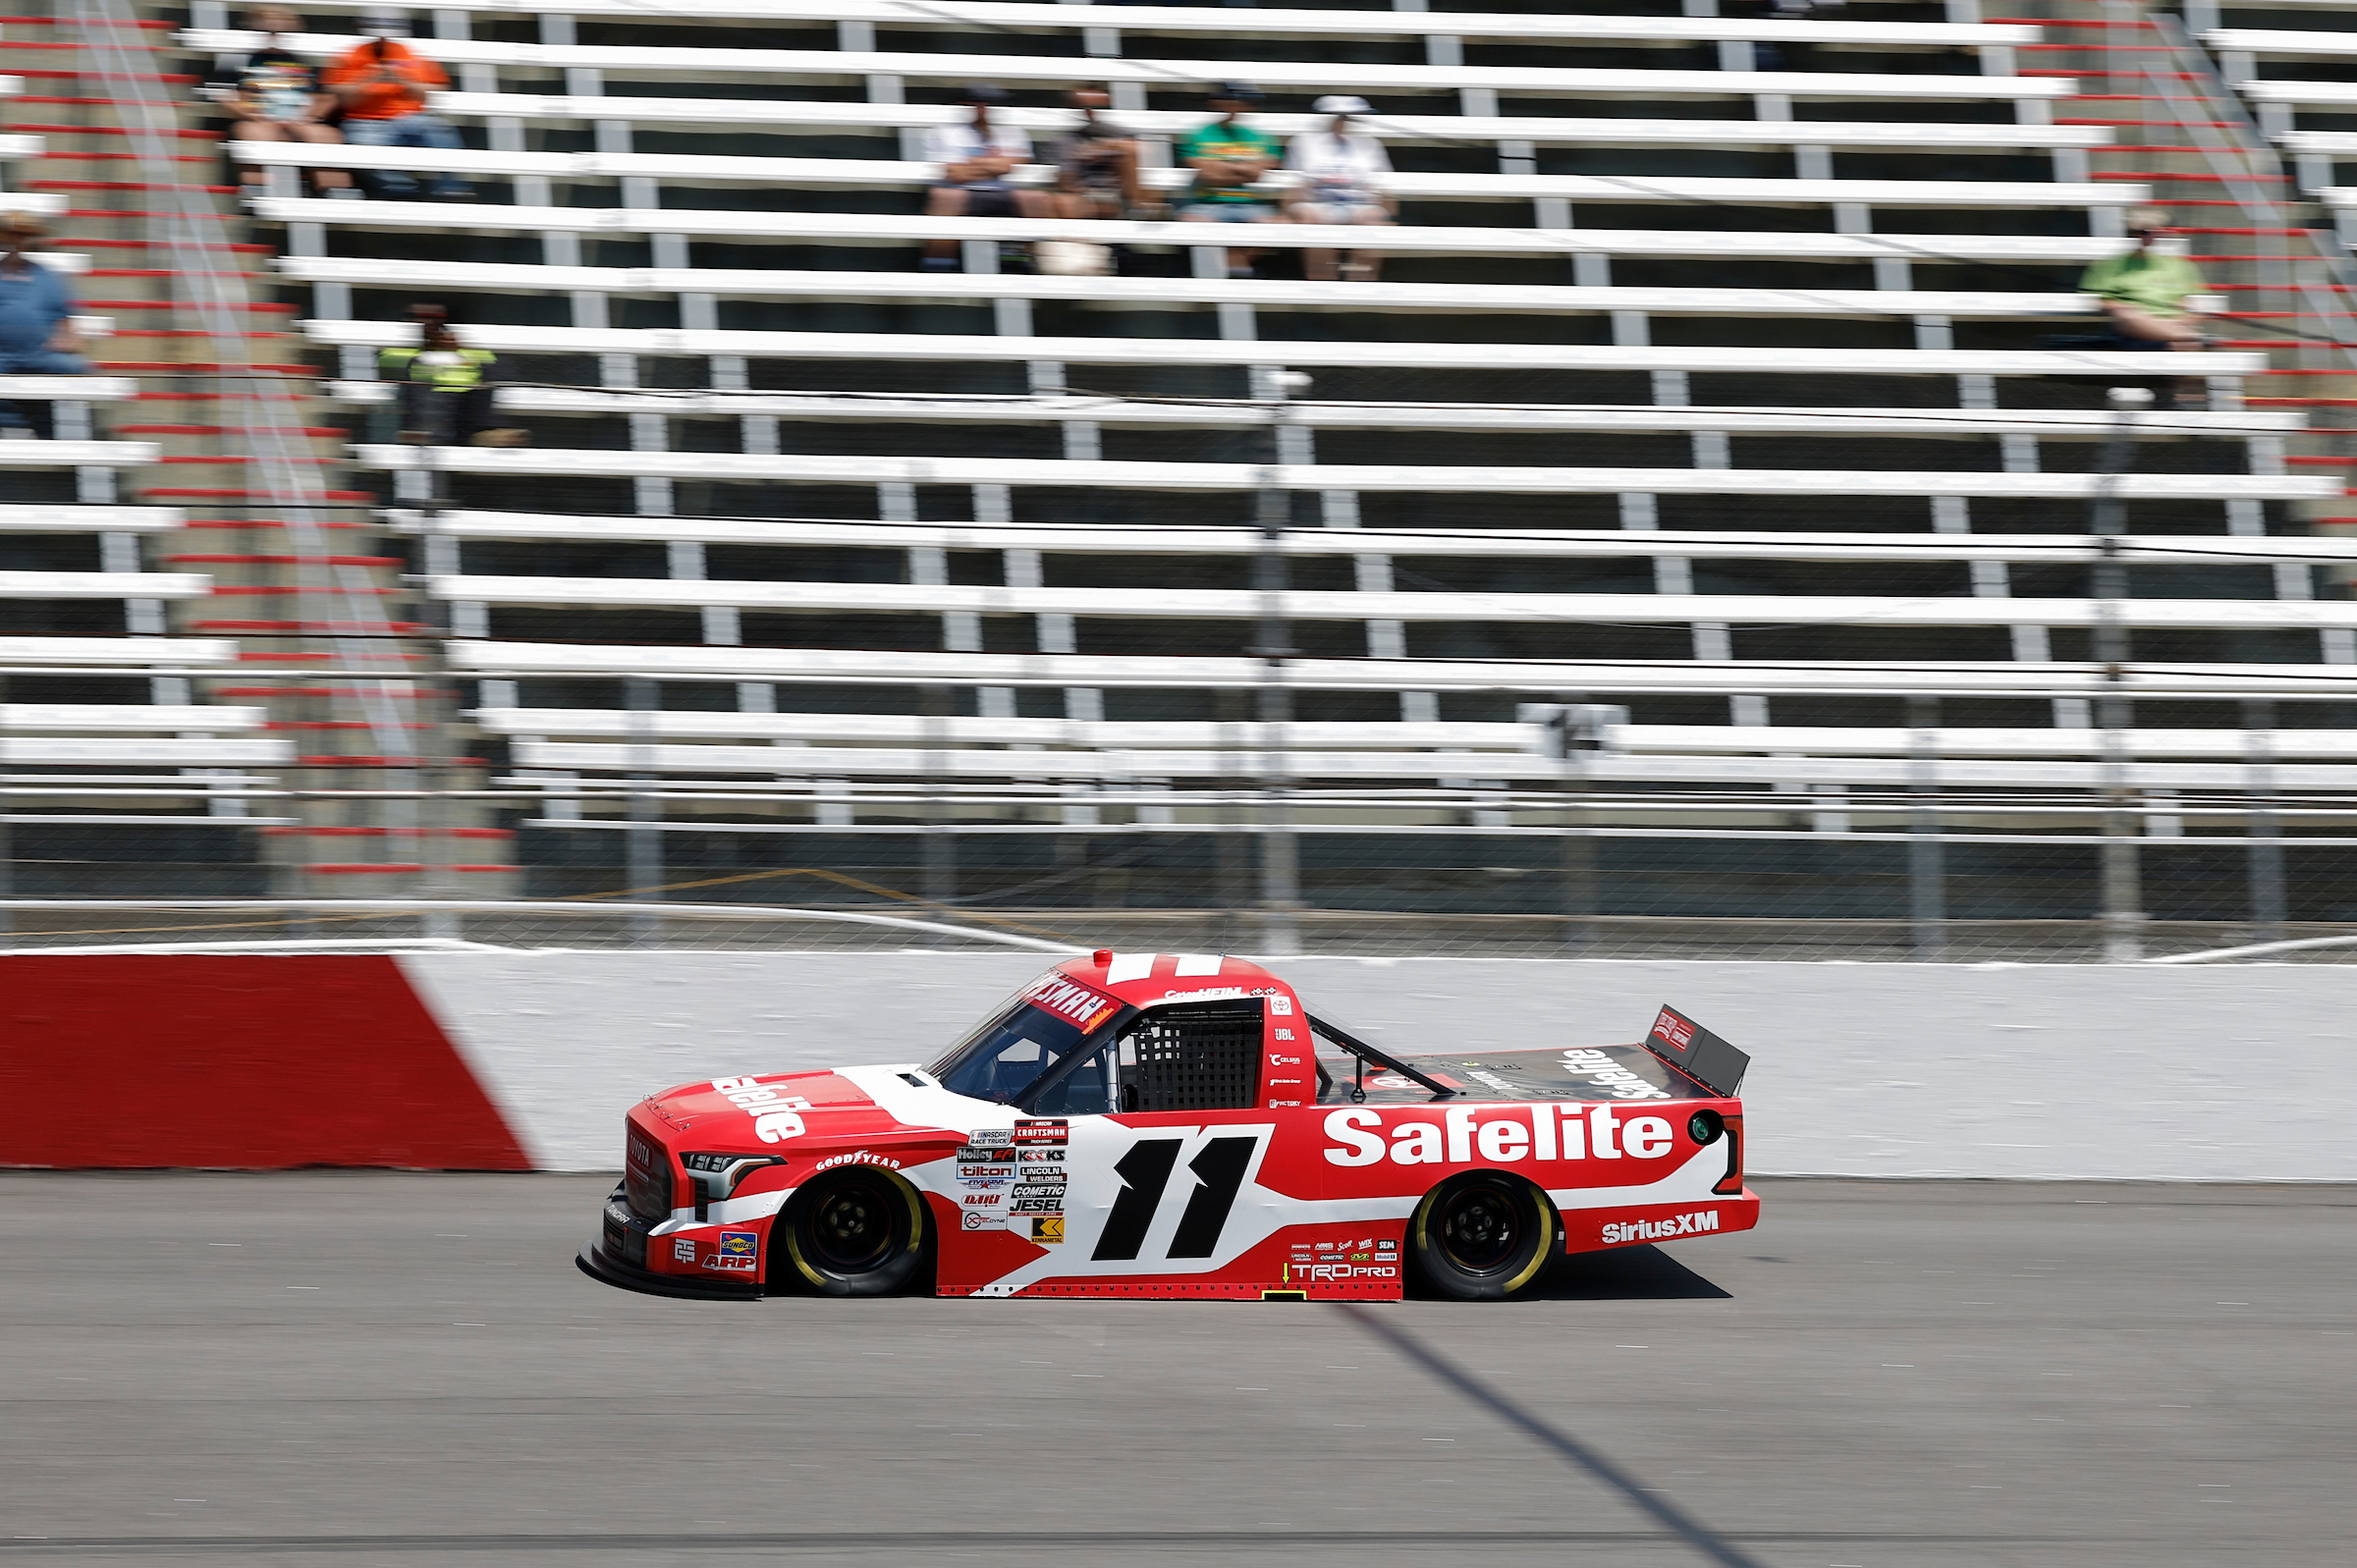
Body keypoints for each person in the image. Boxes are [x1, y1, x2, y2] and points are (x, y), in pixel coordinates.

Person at [322, 12, 472, 201]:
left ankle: (452, 189)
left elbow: (431, 89)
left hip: (410, 116)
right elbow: (343, 98)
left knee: (441, 132)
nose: (383, 38)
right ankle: (400, 191)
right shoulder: (350, 56)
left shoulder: (408, 53)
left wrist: (402, 79)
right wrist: (368, 78)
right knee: (364, 144)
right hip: (364, 120)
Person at [209, 8, 351, 200]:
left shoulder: (305, 60)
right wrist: (255, 115)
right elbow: (226, 96)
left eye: (280, 29)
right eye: (267, 29)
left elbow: (327, 97)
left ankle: (335, 191)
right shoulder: (237, 59)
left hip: (302, 119)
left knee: (325, 135)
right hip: (258, 118)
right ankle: (259, 190)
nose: (274, 33)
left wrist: (310, 117)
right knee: (255, 133)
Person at [920, 83, 1052, 272]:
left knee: (1037, 198)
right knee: (945, 197)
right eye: (981, 104)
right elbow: (955, 174)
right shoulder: (944, 133)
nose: (986, 109)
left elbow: (1019, 162)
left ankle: (1029, 262)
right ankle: (937, 265)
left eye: (992, 104)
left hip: (1002, 192)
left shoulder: (1013, 132)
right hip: (962, 192)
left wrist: (975, 163)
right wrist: (996, 165)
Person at [1177, 82, 1286, 279]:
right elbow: (1207, 175)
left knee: (1280, 224)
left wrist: (1220, 165)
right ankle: (1236, 268)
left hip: (1251, 204)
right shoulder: (1198, 134)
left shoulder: (1260, 136)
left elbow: (1257, 174)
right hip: (1206, 203)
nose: (1239, 106)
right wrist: (1242, 168)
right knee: (1195, 222)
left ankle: (1228, 266)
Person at [379, 305, 526, 447]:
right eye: (420, 317)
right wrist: (433, 355)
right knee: (423, 390)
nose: (428, 322)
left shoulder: (467, 349)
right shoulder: (399, 350)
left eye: (435, 318)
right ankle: (424, 432)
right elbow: (393, 367)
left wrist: (457, 356)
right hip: (425, 402)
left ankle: (487, 432)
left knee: (486, 384)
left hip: (464, 405)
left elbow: (497, 368)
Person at [1285, 95, 1395, 281]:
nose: (1345, 122)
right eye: (1341, 117)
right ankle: (1322, 281)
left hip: (1360, 203)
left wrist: (1386, 209)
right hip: (1316, 201)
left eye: (1350, 117)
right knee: (1310, 217)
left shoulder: (1371, 144)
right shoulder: (1303, 142)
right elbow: (1295, 185)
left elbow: (1382, 186)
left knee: (1374, 218)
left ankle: (1362, 284)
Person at [0, 211, 86, 439]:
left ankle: (66, 442)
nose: (19, 240)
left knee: (72, 366)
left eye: (24, 235)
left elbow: (67, 321)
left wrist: (67, 339)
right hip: (2, 356)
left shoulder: (49, 277)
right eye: (14, 234)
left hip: (40, 355)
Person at [1050, 84, 1144, 222]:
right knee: (1066, 202)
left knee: (1129, 153)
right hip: (1085, 194)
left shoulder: (1124, 135)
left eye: (1100, 107)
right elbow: (1065, 181)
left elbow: (1146, 152)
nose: (1092, 112)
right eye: (1084, 107)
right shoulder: (1065, 141)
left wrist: (1107, 146)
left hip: (1120, 194)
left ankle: (1138, 210)